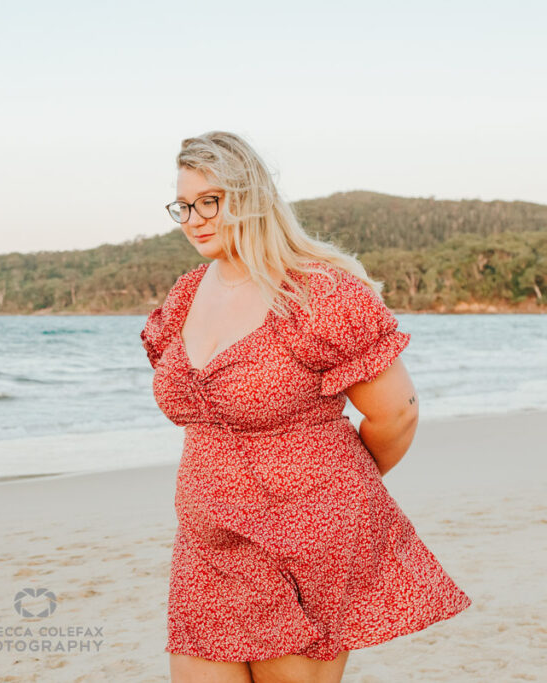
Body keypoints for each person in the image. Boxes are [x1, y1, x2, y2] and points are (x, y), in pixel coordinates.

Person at [141, 132, 471, 683]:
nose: (194, 220)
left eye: (209, 202)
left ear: (249, 197)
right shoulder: (186, 294)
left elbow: (398, 413)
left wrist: (329, 491)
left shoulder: (316, 294)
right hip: (206, 546)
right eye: (183, 206)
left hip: (304, 540)